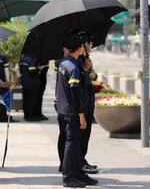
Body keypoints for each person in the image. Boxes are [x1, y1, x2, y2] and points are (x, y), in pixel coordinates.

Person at [55, 34, 97, 188]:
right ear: (79, 48)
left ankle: (78, 173)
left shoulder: (64, 63)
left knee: (73, 143)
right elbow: (75, 92)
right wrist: (81, 114)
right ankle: (68, 177)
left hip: (65, 109)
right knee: (72, 144)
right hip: (71, 111)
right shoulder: (73, 67)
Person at [78, 32, 99, 175]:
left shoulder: (86, 58)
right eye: (90, 43)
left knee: (86, 134)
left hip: (88, 99)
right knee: (81, 134)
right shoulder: (77, 60)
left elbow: (94, 76)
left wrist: (90, 68)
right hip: (82, 102)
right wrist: (86, 68)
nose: (92, 46)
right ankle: (79, 163)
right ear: (84, 44)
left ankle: (82, 160)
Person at [19, 54, 41, 121]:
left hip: (24, 82)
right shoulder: (32, 59)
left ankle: (26, 115)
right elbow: (32, 70)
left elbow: (21, 70)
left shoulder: (23, 58)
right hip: (32, 83)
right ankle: (30, 116)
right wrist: (38, 69)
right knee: (32, 100)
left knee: (26, 99)